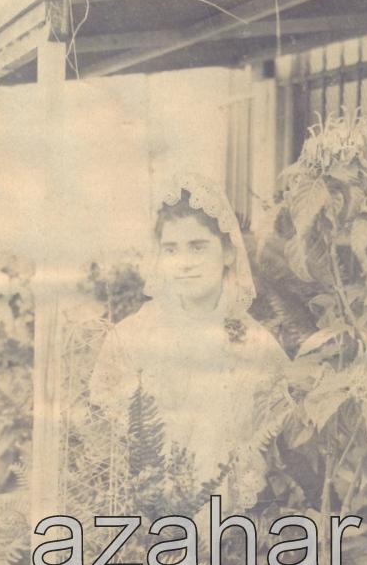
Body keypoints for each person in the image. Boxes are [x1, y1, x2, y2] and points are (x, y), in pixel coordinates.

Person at [89, 173, 290, 514]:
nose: (184, 262)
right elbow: (103, 444)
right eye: (171, 249)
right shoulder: (131, 337)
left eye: (198, 246)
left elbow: (279, 445)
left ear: (228, 252)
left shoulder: (259, 346)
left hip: (231, 535)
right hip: (142, 531)